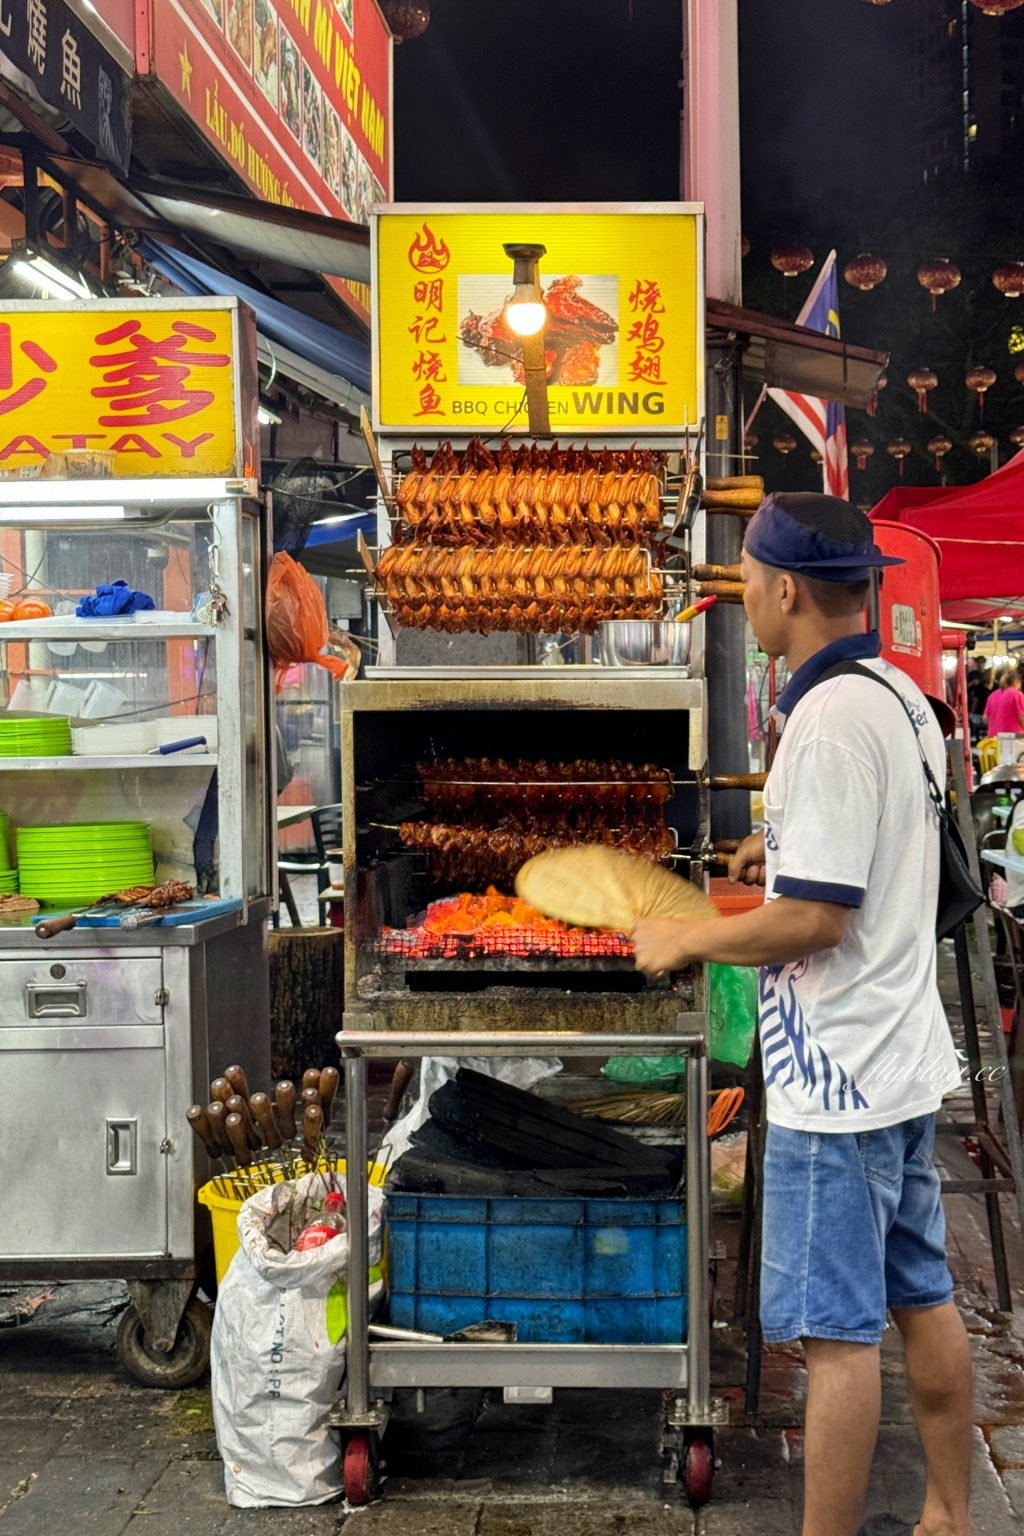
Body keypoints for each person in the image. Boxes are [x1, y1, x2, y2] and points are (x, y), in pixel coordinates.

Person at [632, 492, 970, 1536]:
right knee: (921, 1297)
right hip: (902, 1060)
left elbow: (816, 923)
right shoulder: (898, 697)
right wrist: (769, 858)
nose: (736, 590)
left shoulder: (825, 720)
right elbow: (865, 861)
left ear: (783, 588)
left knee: (834, 1340)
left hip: (841, 1079)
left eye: (742, 574)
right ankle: (950, 1516)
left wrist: (689, 935)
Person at [983, 669, 1024, 735]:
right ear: (1016, 681)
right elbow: (1022, 716)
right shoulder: (1017, 695)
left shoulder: (992, 695)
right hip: (1014, 737)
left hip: (994, 737)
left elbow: (985, 718)